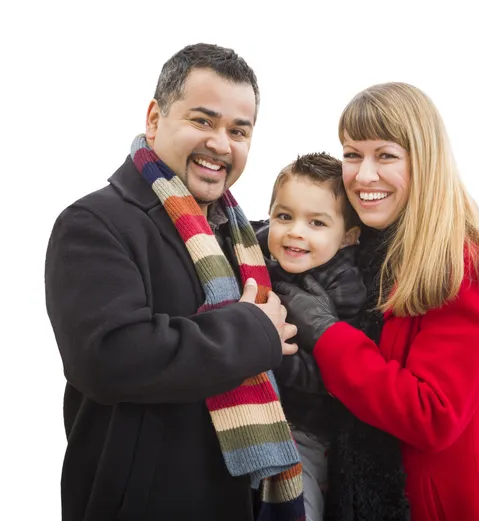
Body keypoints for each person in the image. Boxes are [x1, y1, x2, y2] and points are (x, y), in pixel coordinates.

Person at [45, 43, 305, 521]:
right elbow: (108, 358)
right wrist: (252, 331)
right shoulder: (93, 223)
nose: (221, 144)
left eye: (238, 131)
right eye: (202, 121)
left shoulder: (245, 239)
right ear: (154, 118)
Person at [276, 82, 479, 521]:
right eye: (352, 154)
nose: (363, 175)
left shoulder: (466, 267)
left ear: (424, 161)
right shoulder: (364, 250)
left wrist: (326, 332)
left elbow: (432, 415)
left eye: (385, 155)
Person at [253, 152, 366, 521]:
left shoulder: (344, 285)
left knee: (296, 506)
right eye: (284, 216)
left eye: (317, 223)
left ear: (347, 237)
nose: (295, 231)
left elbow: (330, 375)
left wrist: (271, 354)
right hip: (254, 418)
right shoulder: (255, 254)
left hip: (305, 431)